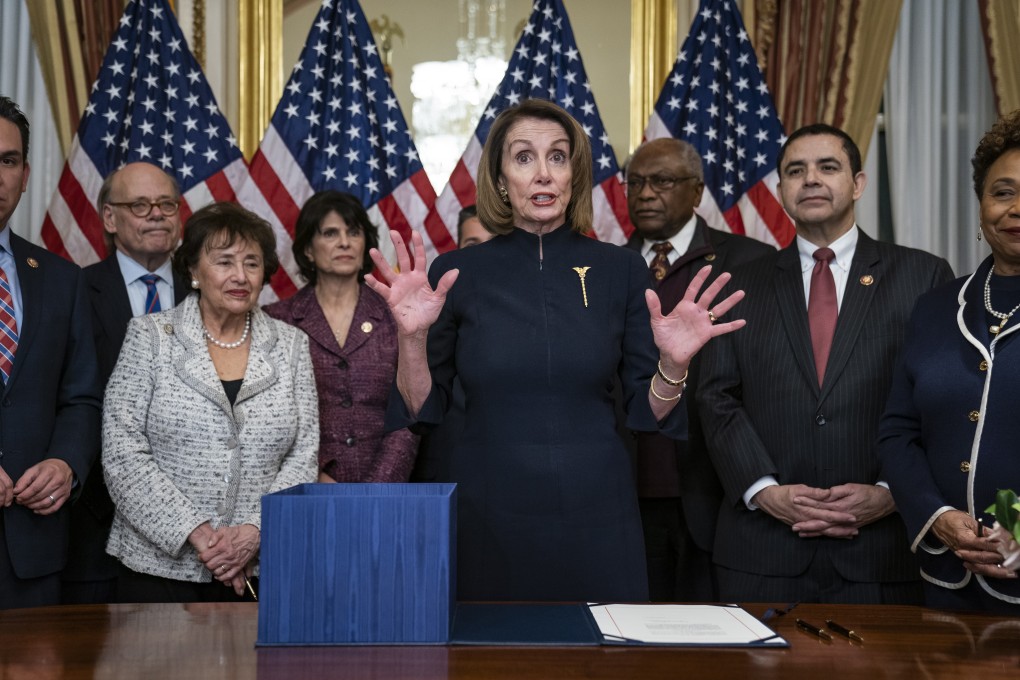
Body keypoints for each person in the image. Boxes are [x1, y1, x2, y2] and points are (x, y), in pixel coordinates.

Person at [367, 99, 746, 602]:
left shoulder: (621, 270)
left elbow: (647, 410)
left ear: (574, 174)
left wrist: (674, 364)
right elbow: (420, 407)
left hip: (598, 515)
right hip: (489, 514)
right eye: (524, 157)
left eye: (558, 157)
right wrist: (411, 339)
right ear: (501, 180)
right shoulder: (457, 273)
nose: (542, 173)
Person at [698, 123, 954, 605]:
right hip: (762, 552)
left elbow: (939, 401)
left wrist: (891, 490)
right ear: (780, 192)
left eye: (827, 167)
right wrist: (764, 490)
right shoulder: (735, 284)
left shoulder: (924, 274)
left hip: (884, 552)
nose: (810, 179)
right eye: (796, 171)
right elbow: (716, 397)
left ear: (857, 184)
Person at [102, 202, 318, 603]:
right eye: (224, 262)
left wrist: (255, 532)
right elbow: (123, 453)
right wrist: (200, 536)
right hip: (156, 571)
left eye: (252, 264)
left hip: (260, 569)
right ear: (194, 271)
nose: (240, 276)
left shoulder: (291, 345)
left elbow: (303, 455)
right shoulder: (150, 337)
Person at [878, 110, 1020, 614]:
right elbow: (897, 431)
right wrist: (935, 514)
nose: (1015, 209)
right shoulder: (937, 306)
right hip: (943, 581)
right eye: (1002, 192)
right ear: (981, 205)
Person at [624, 138, 773, 601]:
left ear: (696, 191)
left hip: (718, 487)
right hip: (628, 485)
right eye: (636, 183)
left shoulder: (752, 263)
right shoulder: (608, 266)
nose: (645, 193)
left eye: (662, 181)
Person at [64, 162, 190, 604]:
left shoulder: (207, 293)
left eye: (167, 204)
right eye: (140, 204)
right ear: (110, 218)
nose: (157, 214)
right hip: (97, 519)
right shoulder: (73, 289)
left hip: (196, 529)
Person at [0, 95, 102, 609]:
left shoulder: (61, 279)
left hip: (32, 549)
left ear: (24, 174)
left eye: (8, 160)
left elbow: (82, 397)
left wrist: (65, 463)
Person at [265, 190, 417, 482]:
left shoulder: (396, 316)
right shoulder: (277, 319)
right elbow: (269, 416)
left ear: (366, 245)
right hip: (304, 487)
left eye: (354, 232)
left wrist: (378, 486)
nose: (345, 242)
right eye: (330, 233)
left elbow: (410, 411)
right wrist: (313, 474)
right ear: (308, 249)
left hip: (388, 491)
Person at [411, 204, 494, 483]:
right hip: (448, 471)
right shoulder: (430, 314)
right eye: (472, 246)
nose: (482, 256)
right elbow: (418, 408)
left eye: (493, 244)